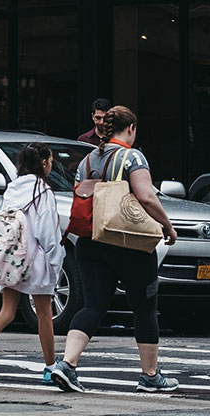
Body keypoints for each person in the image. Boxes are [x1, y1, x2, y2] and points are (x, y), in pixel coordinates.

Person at [50, 105, 180, 394]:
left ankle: (67, 364)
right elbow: (146, 196)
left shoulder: (86, 160)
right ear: (130, 128)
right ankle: (149, 375)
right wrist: (167, 226)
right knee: (144, 308)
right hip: (128, 242)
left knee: (93, 305)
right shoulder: (132, 156)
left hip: (90, 242)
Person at [0, 143, 67, 386]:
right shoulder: (44, 192)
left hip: (12, 259)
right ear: (43, 163)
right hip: (37, 261)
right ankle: (50, 367)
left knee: (6, 311)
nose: (51, 164)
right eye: (50, 160)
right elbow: (47, 235)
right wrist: (56, 261)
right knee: (44, 313)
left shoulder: (13, 189)